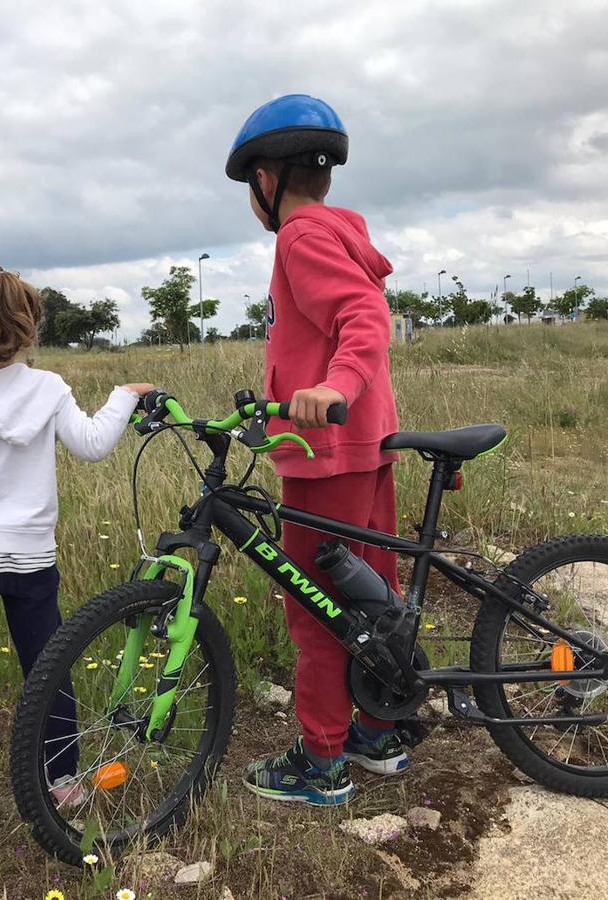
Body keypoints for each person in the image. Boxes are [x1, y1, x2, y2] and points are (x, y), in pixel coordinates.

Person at [0, 266, 153, 822]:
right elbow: (92, 444)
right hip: (31, 559)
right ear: (29, 330)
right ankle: (64, 780)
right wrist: (123, 396)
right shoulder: (48, 390)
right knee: (49, 667)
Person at [225, 95, 408, 806]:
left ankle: (322, 760)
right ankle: (375, 731)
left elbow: (363, 319)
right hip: (365, 444)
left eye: (250, 187)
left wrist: (332, 384)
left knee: (318, 608)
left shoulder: (299, 237)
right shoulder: (338, 233)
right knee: (371, 601)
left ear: (266, 179)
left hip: (325, 451)